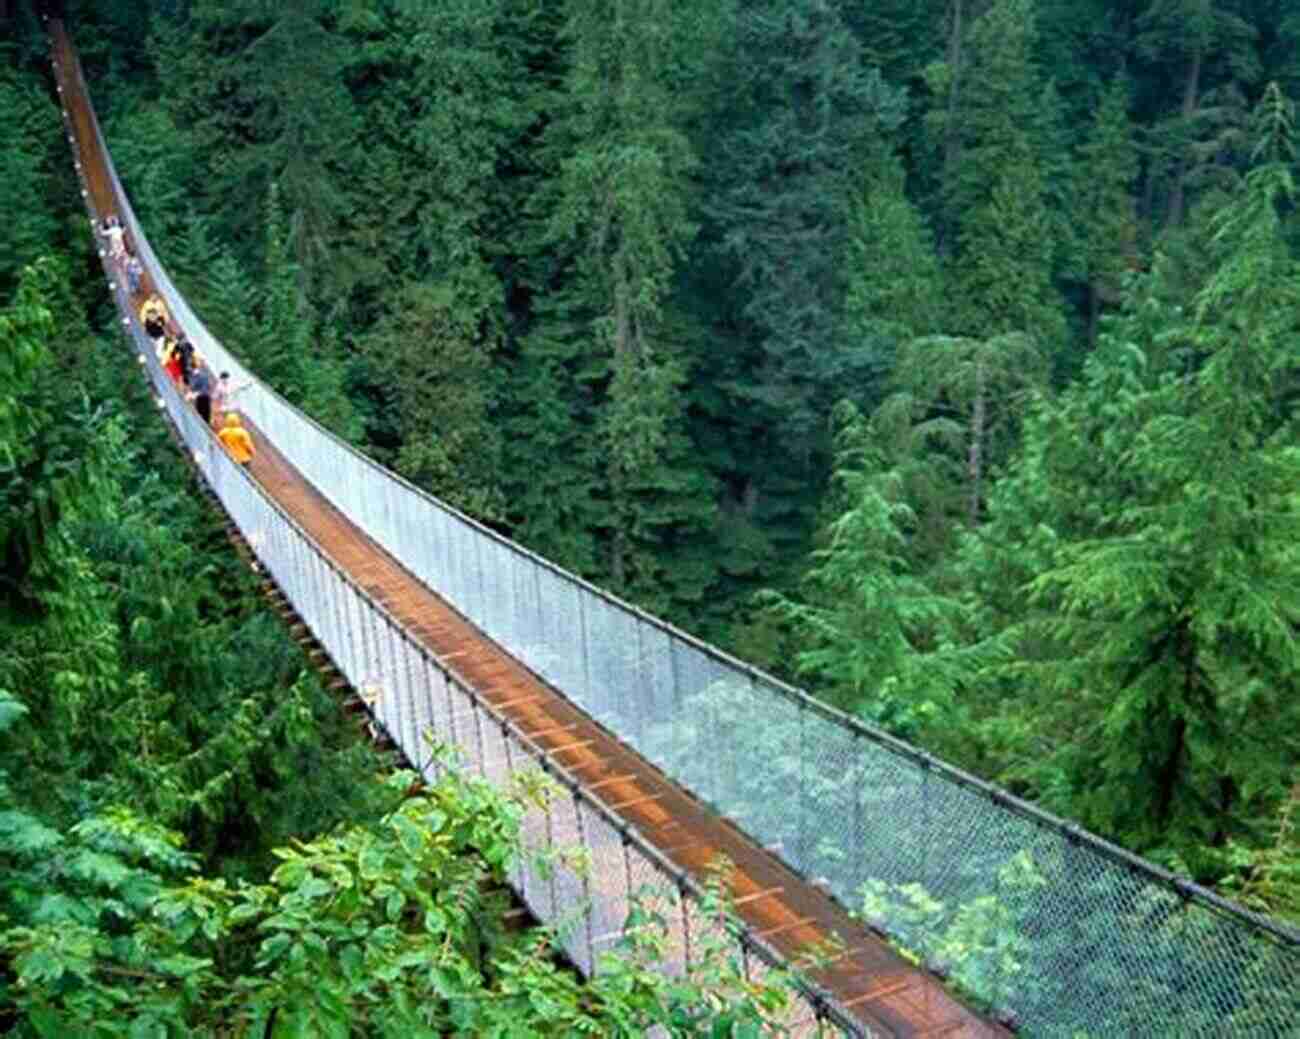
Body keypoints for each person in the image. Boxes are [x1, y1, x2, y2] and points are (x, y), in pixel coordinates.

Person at [187, 358, 214, 426]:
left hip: (202, 397)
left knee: (203, 414)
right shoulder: (195, 375)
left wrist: (195, 394)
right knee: (204, 414)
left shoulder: (199, 376)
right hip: (203, 397)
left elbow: (204, 388)